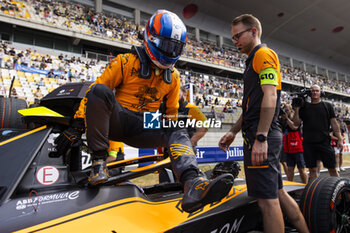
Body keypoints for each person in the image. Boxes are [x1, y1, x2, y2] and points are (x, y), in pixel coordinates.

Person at [54, 9, 233, 214]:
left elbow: (171, 114)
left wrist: (173, 145)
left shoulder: (174, 77)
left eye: (174, 47)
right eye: (166, 45)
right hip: (120, 119)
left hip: (147, 123)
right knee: (99, 90)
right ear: (150, 38)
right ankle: (98, 164)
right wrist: (78, 123)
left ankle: (193, 183)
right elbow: (95, 91)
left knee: (176, 125)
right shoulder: (124, 62)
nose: (169, 51)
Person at [218, 14, 309, 233]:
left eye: (238, 36)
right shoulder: (253, 60)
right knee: (277, 193)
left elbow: (270, 97)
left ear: (253, 32)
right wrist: (233, 131)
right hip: (260, 133)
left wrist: (261, 137)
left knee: (267, 202)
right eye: (233, 37)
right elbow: (252, 105)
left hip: (262, 136)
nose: (235, 41)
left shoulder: (263, 54)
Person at [292, 84, 342, 180]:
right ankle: (313, 193)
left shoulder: (327, 106)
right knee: (312, 170)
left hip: (324, 142)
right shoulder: (304, 107)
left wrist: (339, 138)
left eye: (317, 91)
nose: (315, 92)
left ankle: (341, 193)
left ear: (320, 93)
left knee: (332, 169)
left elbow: (334, 123)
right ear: (309, 93)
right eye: (313, 91)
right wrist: (297, 110)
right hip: (308, 143)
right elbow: (296, 123)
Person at [281, 104, 308, 183]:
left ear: (291, 110)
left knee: (301, 169)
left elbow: (294, 127)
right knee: (290, 169)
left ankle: (305, 185)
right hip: (288, 149)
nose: (285, 112)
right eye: (284, 110)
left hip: (297, 148)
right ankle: (290, 185)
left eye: (287, 110)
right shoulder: (283, 120)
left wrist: (286, 119)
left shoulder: (296, 118)